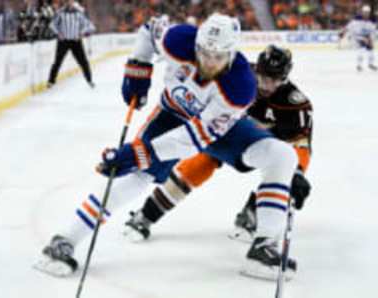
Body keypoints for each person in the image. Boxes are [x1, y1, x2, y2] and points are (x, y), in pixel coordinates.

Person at [35, 13, 298, 280]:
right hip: (170, 116)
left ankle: (263, 248)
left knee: (282, 156)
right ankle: (65, 240)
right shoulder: (178, 39)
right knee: (134, 177)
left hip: (216, 129)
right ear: (197, 43)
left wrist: (142, 152)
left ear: (231, 53)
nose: (209, 61)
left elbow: (192, 138)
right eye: (204, 52)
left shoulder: (241, 86)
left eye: (218, 56)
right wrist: (138, 67)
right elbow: (149, 30)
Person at [123, 45, 313, 244]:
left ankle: (254, 213)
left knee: (280, 169)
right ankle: (147, 214)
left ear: (285, 78)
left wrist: (298, 172)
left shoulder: (295, 104)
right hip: (224, 132)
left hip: (262, 146)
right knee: (198, 165)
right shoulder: (238, 75)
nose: (265, 85)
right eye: (263, 76)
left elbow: (301, 144)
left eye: (273, 80)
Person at [47, 0, 95, 88]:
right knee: (57, 62)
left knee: (83, 62)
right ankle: (51, 81)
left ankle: (89, 80)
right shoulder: (60, 13)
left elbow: (90, 26)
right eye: (68, 1)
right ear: (65, 2)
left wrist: (82, 33)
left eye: (71, 1)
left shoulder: (79, 14)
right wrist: (58, 33)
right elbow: (52, 25)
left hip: (76, 42)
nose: (70, 3)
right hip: (63, 41)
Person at [339, 5, 378, 72]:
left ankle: (370, 64)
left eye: (367, 12)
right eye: (365, 12)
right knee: (362, 49)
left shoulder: (373, 20)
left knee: (370, 49)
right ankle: (359, 65)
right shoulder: (357, 19)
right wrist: (343, 32)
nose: (366, 14)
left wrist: (370, 39)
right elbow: (349, 26)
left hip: (366, 36)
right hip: (357, 36)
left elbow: (372, 31)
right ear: (362, 12)